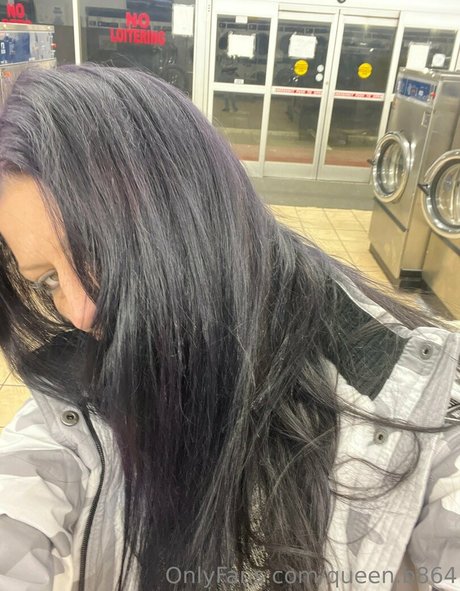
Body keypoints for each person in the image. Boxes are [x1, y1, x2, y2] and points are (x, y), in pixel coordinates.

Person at [0, 64, 458, 591]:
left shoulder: (421, 404)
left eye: (96, 251)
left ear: (189, 214)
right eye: (49, 280)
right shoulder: (82, 389)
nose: (81, 313)